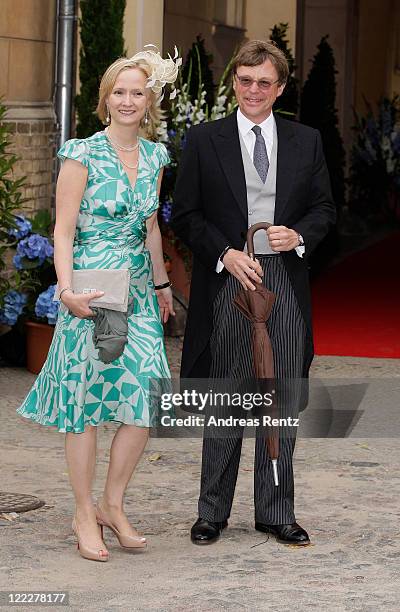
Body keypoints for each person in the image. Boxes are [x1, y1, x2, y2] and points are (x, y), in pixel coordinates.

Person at [17, 47, 180, 561]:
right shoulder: (80, 154)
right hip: (89, 287)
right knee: (85, 405)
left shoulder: (155, 157)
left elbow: (151, 226)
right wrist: (65, 291)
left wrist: (161, 285)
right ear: (105, 98)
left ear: (149, 100)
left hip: (136, 290)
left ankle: (113, 503)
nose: (128, 100)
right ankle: (83, 513)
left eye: (137, 92)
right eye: (119, 91)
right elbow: (62, 232)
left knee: (146, 400)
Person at [172, 40, 336, 546]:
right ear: (234, 83)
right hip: (228, 279)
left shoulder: (306, 140)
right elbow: (185, 214)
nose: (253, 90)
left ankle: (276, 510)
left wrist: (299, 234)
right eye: (245, 80)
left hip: (283, 278)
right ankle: (212, 513)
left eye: (264, 82)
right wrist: (225, 253)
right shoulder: (204, 139)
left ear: (280, 88)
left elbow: (325, 209)